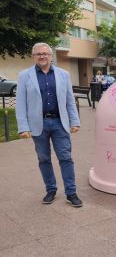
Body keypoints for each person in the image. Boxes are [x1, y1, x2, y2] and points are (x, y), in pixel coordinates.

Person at [16, 42, 83, 207]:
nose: (42, 56)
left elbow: (69, 100)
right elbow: (20, 103)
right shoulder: (25, 75)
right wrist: (23, 127)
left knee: (65, 158)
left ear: (51, 56)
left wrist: (75, 121)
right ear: (33, 57)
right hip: (38, 124)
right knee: (44, 159)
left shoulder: (63, 74)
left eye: (45, 53)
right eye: (38, 54)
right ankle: (51, 190)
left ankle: (71, 192)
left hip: (60, 123)